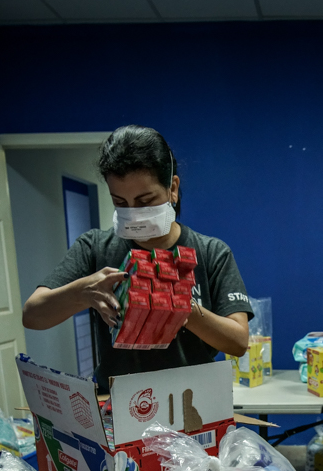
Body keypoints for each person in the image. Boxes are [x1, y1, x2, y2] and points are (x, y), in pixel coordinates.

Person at [23, 126, 252, 385]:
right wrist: (82, 292)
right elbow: (32, 315)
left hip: (192, 402)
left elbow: (238, 342)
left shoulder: (211, 253)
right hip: (118, 404)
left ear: (172, 188)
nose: (133, 212)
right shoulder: (95, 247)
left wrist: (180, 307)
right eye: (120, 202)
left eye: (145, 201)